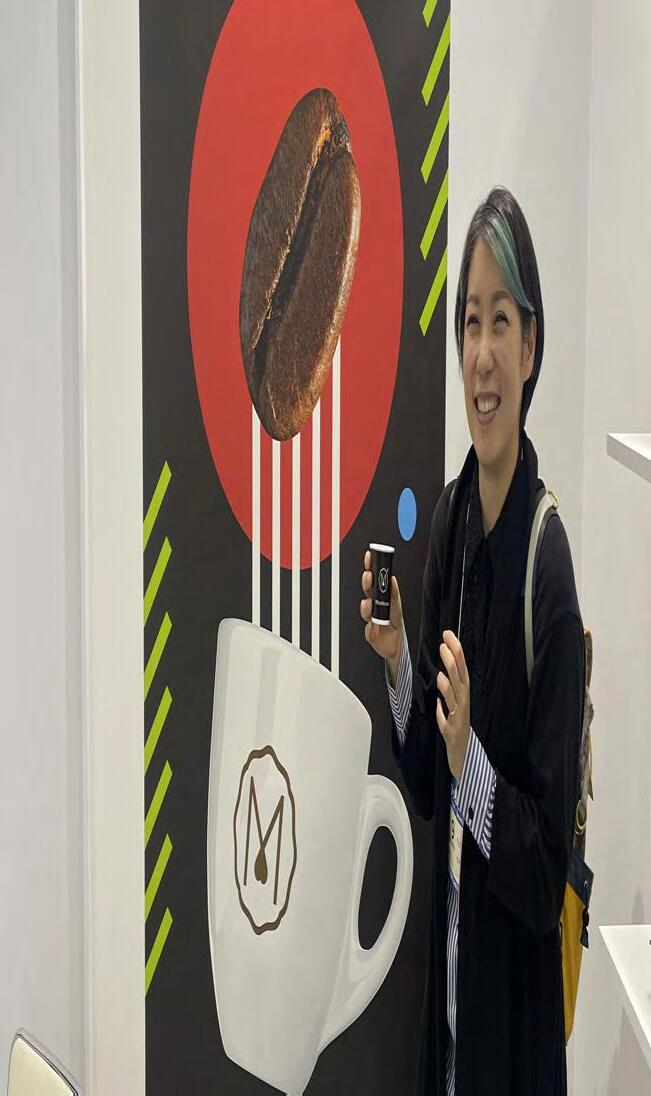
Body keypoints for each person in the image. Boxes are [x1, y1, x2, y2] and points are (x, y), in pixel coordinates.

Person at [360, 187, 585, 1096]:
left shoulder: (545, 566)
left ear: (530, 350)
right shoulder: (451, 520)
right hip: (448, 1012)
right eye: (468, 323)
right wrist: (397, 663)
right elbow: (424, 783)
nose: (481, 354)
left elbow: (542, 872)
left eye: (500, 321)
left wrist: (472, 763)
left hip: (512, 1031)